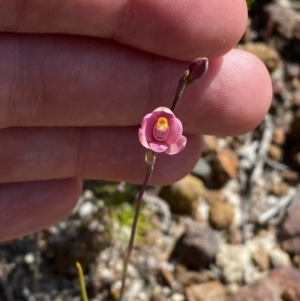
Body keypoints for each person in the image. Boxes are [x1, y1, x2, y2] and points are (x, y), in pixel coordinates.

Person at [0, 0, 272, 241]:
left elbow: (171, 137)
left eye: (165, 125)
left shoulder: (169, 138)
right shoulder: (149, 128)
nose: (162, 127)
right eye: (160, 124)